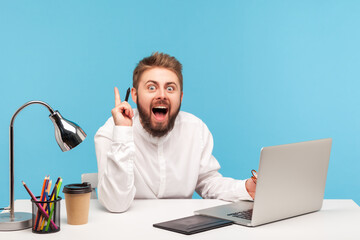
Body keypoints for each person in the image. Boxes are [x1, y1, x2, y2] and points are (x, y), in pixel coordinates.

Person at [94, 52, 256, 212]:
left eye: (170, 88)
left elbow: (208, 182)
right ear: (135, 95)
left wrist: (246, 188)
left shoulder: (195, 129)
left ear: (181, 97)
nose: (162, 95)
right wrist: (122, 133)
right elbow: (115, 204)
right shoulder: (111, 131)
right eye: (151, 87)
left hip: (181, 229)